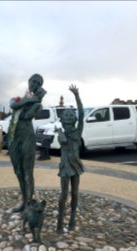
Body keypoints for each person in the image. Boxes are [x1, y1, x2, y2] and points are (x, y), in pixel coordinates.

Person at [8, 74, 46, 213]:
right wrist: (29, 99)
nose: (35, 84)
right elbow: (13, 104)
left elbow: (27, 116)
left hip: (27, 138)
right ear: (29, 82)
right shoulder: (18, 98)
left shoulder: (37, 105)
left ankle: (29, 204)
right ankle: (24, 202)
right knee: (18, 171)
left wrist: (35, 101)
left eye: (38, 83)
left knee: (27, 172)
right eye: (33, 81)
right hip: (14, 138)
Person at [57, 84, 85, 233]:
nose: (68, 116)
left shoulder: (78, 131)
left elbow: (82, 114)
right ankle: (59, 223)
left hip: (76, 165)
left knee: (75, 193)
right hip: (65, 166)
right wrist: (60, 134)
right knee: (63, 195)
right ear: (62, 119)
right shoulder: (61, 133)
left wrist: (77, 96)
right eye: (66, 115)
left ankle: (72, 219)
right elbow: (62, 141)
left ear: (73, 119)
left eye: (70, 115)